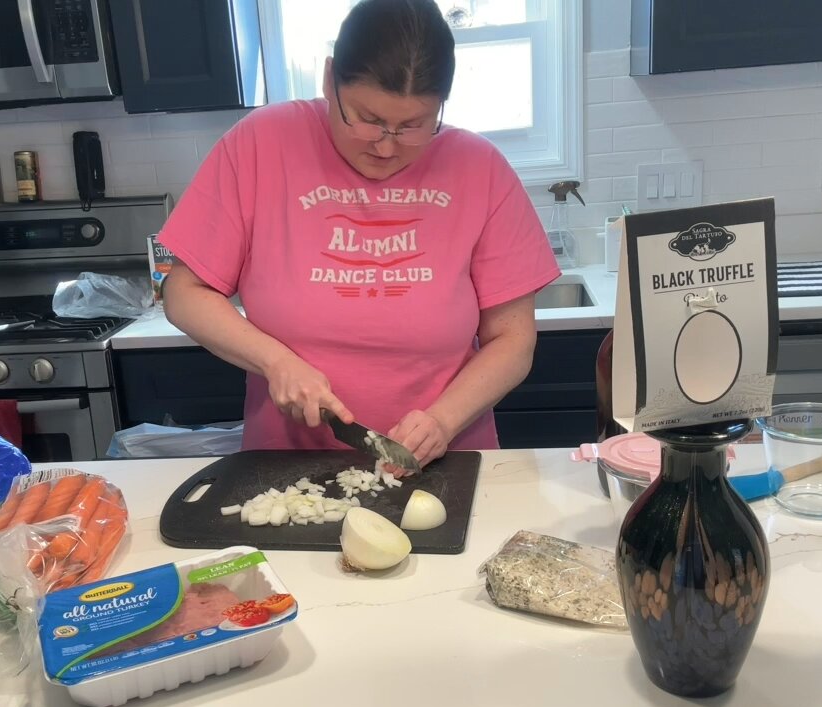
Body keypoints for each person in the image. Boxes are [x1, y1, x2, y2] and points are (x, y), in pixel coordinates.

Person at [159, 0, 559, 469]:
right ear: (330, 80)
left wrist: (442, 422)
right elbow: (183, 293)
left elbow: (513, 341)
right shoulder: (260, 145)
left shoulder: (480, 167)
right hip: (287, 469)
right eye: (367, 119)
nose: (386, 145)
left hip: (446, 463)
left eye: (413, 126)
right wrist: (276, 361)